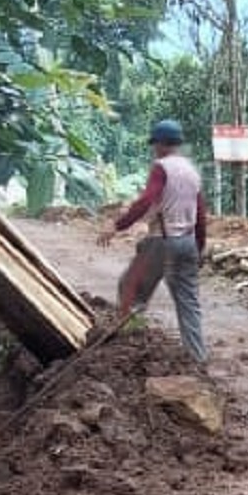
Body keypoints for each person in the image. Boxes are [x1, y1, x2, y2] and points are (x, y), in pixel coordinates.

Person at [97, 119, 208, 364]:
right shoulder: (191, 171)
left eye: (154, 144)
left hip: (162, 242)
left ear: (159, 144)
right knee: (188, 303)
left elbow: (147, 200)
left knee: (131, 289)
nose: (153, 149)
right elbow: (200, 214)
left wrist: (117, 225)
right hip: (187, 242)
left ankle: (128, 349)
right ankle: (197, 358)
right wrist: (198, 248)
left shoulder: (162, 167)